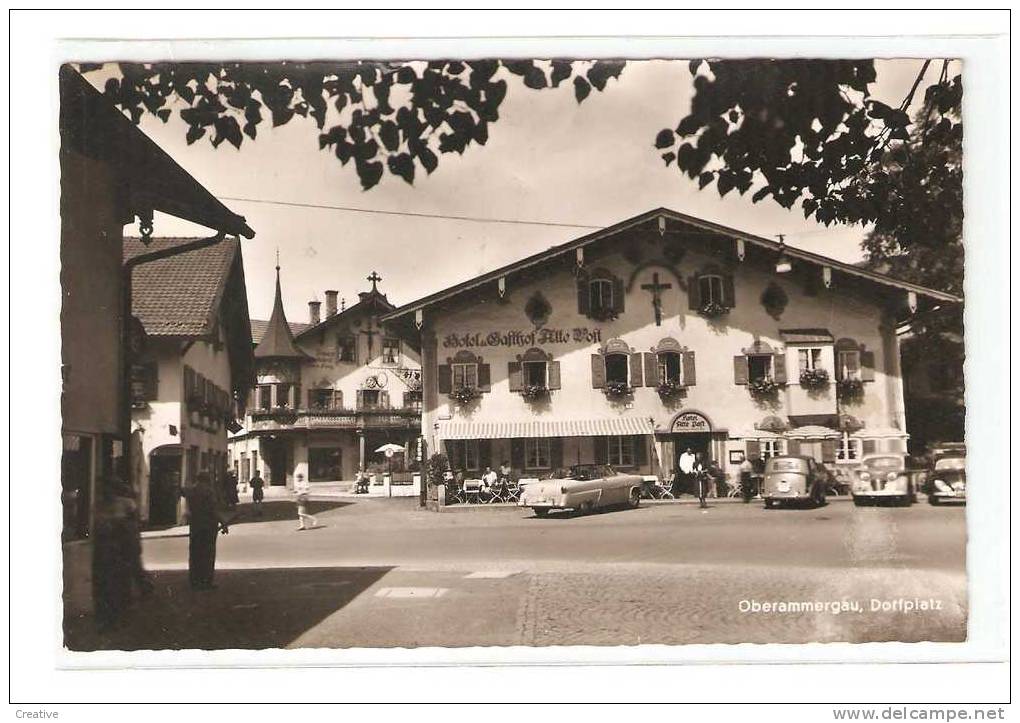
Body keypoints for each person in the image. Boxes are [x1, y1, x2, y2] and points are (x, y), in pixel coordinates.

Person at [182, 472, 228, 591]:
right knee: (208, 554)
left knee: (195, 554)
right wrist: (223, 522)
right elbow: (213, 510)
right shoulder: (209, 491)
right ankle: (206, 581)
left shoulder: (191, 491)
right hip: (209, 526)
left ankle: (194, 580)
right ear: (207, 480)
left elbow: (181, 491)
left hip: (195, 526)